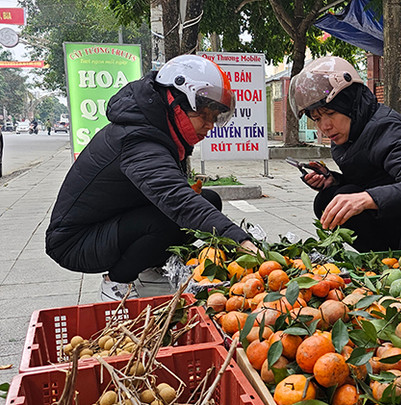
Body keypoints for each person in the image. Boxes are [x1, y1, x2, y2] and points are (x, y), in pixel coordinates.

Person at [46, 54, 258, 301]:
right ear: (175, 101)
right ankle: (116, 283)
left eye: (215, 117)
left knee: (208, 200)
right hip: (75, 242)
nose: (210, 125)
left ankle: (149, 270)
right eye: (205, 114)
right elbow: (175, 199)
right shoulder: (138, 139)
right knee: (172, 218)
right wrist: (240, 240)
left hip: (108, 223)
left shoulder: (156, 130)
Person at [288, 56, 401, 252]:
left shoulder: (387, 129)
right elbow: (374, 180)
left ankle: (391, 257)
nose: (325, 126)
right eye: (317, 119)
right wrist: (333, 181)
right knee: (329, 198)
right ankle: (378, 258)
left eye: (331, 113)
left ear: (350, 104)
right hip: (398, 212)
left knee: (349, 198)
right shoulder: (347, 136)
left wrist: (364, 199)